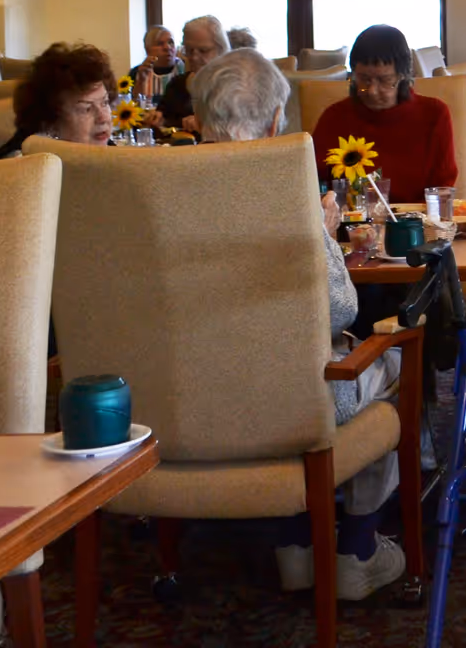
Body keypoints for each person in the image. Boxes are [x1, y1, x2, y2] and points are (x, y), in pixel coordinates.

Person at [189, 49, 407, 599]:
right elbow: (338, 309)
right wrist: (322, 232)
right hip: (290, 394)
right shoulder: (284, 194)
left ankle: (294, 543)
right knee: (395, 358)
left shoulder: (148, 187)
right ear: (272, 122)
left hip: (185, 394)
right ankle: (356, 550)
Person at [311, 24, 457, 203]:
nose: (372, 90)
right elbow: (312, 183)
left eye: (384, 80)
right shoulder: (334, 117)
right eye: (364, 79)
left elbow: (442, 188)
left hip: (416, 224)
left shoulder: (434, 114)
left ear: (403, 76)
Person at [0, 43, 116, 159]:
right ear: (50, 122)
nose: (103, 118)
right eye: (86, 109)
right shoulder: (24, 167)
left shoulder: (101, 151)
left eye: (104, 103)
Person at [154, 14, 228, 132]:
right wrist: (158, 120)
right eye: (189, 50)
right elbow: (164, 122)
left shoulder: (235, 87)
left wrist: (206, 125)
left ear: (221, 50)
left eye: (203, 51)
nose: (194, 57)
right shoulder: (177, 85)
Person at [127, 25, 181, 101]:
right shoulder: (136, 72)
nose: (167, 47)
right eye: (160, 44)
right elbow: (131, 104)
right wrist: (141, 81)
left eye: (171, 42)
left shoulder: (185, 68)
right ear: (147, 50)